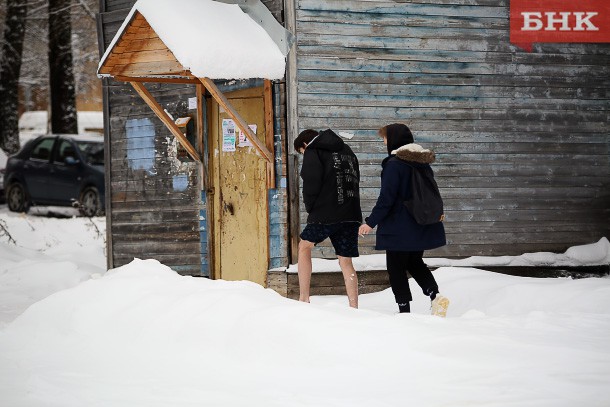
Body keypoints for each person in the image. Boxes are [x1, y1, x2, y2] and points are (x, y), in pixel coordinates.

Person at [358, 123, 449, 316]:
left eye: (385, 138)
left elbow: (387, 198)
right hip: (421, 223)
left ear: (394, 139)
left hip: (399, 226)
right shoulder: (422, 164)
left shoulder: (394, 164)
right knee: (415, 262)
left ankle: (404, 311)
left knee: (396, 268)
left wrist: (370, 222)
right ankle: (435, 295)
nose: (384, 142)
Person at [295, 129, 362, 308]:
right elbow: (356, 180)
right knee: (345, 260)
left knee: (304, 246)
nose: (304, 155)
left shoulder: (313, 150)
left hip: (325, 213)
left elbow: (311, 182)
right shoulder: (347, 150)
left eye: (301, 153)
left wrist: (311, 208)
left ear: (304, 145)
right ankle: (354, 306)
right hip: (351, 213)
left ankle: (303, 298)